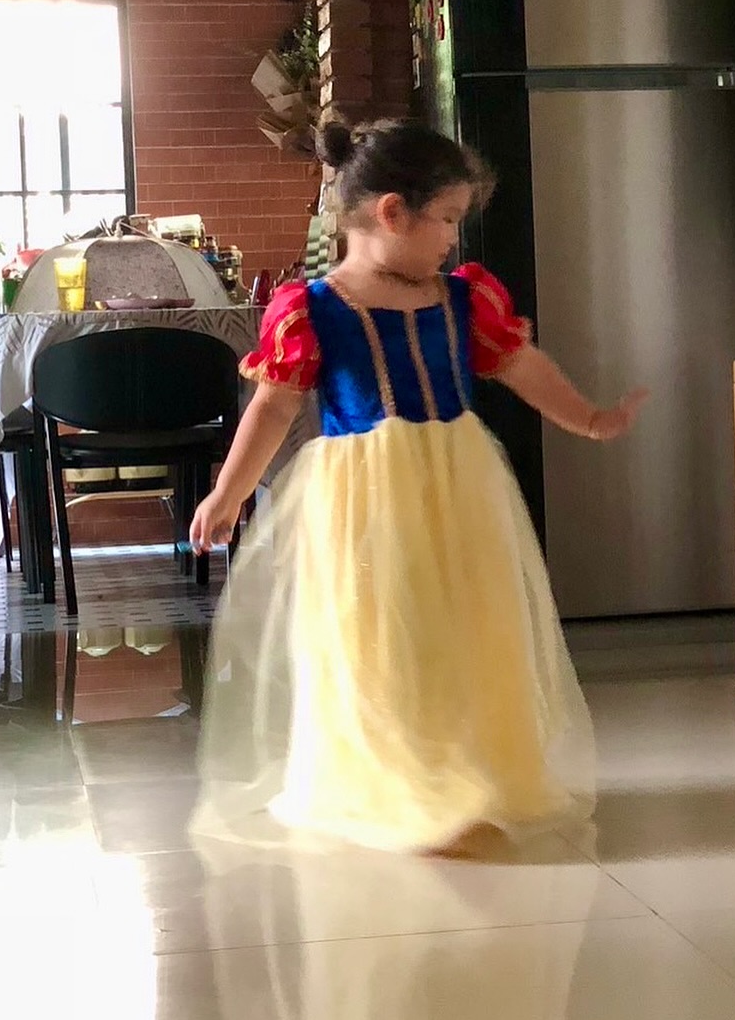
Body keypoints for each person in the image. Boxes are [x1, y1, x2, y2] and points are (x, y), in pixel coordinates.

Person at [188, 117, 648, 857]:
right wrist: (230, 491)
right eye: (447, 220)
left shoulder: (464, 298)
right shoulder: (313, 307)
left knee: (467, 628)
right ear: (392, 213)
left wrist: (588, 419)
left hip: (459, 484)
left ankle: (471, 774)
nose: (453, 241)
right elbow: (274, 406)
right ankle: (395, 782)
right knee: (379, 634)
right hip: (362, 497)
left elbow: (520, 365)